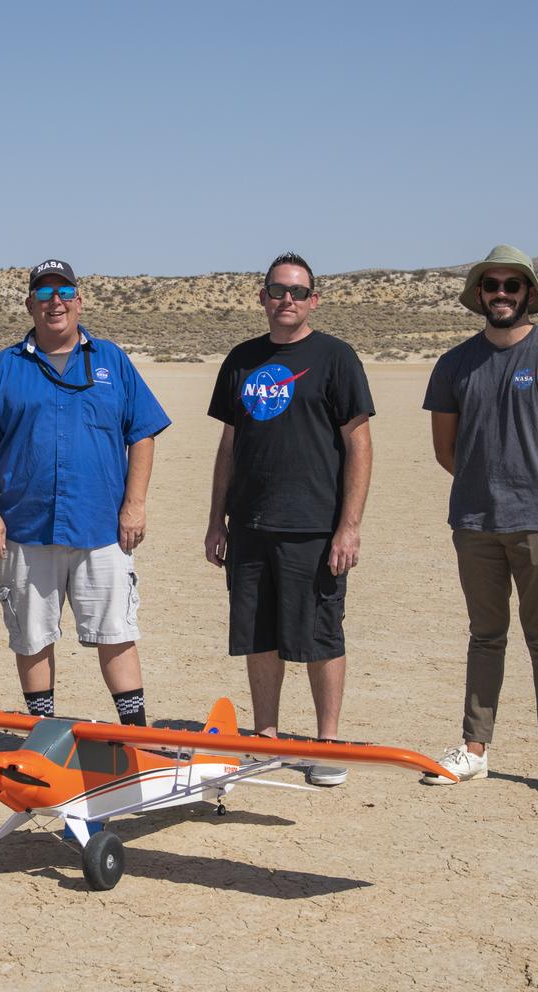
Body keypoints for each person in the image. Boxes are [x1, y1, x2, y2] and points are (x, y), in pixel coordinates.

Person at [422, 245, 538, 800]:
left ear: (528, 293)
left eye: (512, 285)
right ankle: (474, 748)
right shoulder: (455, 363)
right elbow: (446, 450)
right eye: (492, 285)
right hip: (475, 522)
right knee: (485, 636)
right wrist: (487, 487)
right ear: (479, 294)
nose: (501, 294)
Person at [0, 259, 170, 725]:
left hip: (100, 526)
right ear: (30, 304)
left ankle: (135, 733)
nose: (53, 302)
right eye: (43, 294)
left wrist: (134, 505)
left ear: (78, 300)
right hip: (27, 526)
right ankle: (44, 731)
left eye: (63, 292)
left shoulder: (111, 360)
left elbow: (143, 433)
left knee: (116, 630)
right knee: (32, 635)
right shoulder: (4, 367)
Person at [204, 252, 373, 787]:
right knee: (259, 635)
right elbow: (229, 444)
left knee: (321, 633)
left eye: (298, 292)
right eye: (277, 291)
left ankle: (326, 744)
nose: (287, 300)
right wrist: (217, 520)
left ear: (313, 300)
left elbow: (359, 444)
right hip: (251, 525)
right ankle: (266, 737)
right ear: (262, 297)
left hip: (314, 527)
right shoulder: (242, 360)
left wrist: (348, 526)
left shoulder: (336, 358)